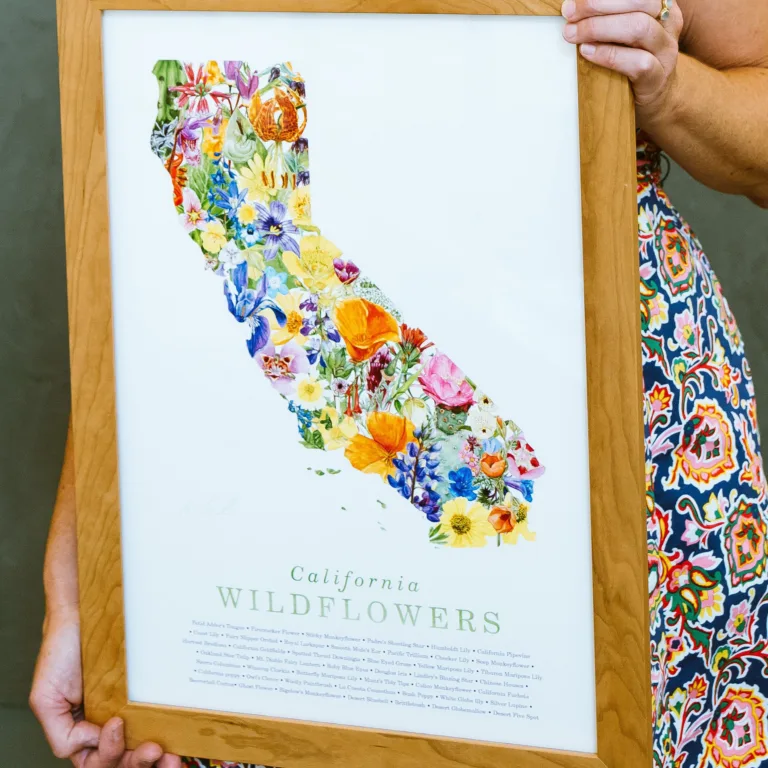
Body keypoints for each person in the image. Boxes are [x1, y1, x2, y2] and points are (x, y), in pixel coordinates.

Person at [30, 0, 768, 765]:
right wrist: (81, 589)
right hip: (256, 484)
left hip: (605, 426)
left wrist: (670, 89)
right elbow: (145, 229)